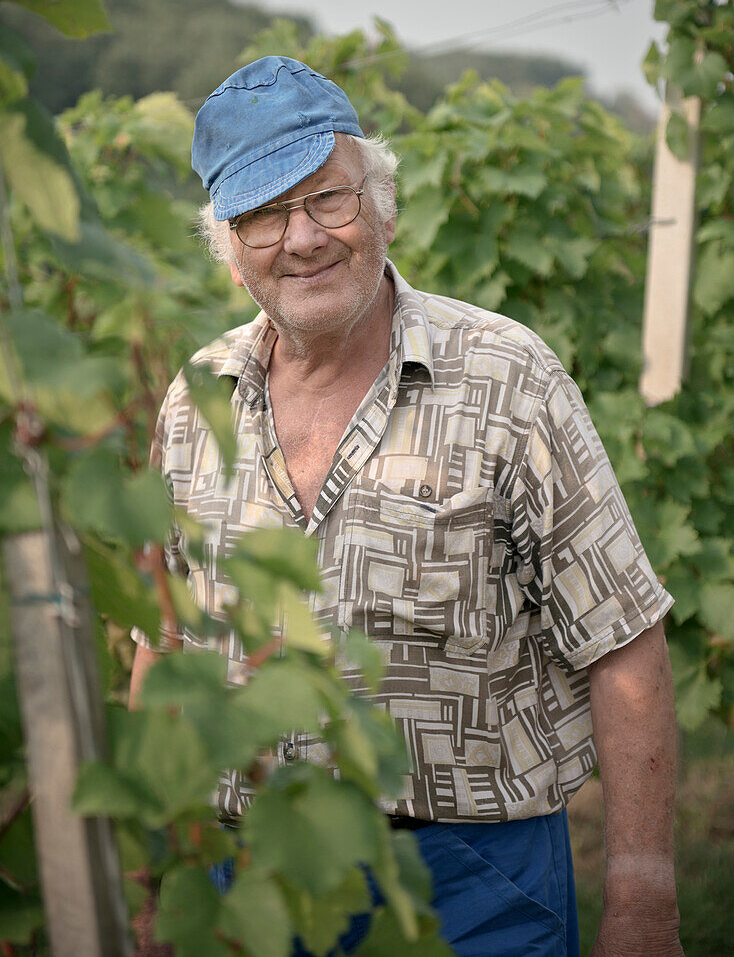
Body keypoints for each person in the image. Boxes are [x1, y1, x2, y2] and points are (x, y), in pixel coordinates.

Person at [130, 56, 683, 957]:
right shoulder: (196, 400)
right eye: (264, 214)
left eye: (327, 200)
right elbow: (162, 648)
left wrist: (645, 903)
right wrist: (151, 883)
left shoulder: (509, 379)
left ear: (381, 205)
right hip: (241, 889)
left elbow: (624, 643)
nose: (301, 238)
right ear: (229, 248)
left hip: (469, 887)